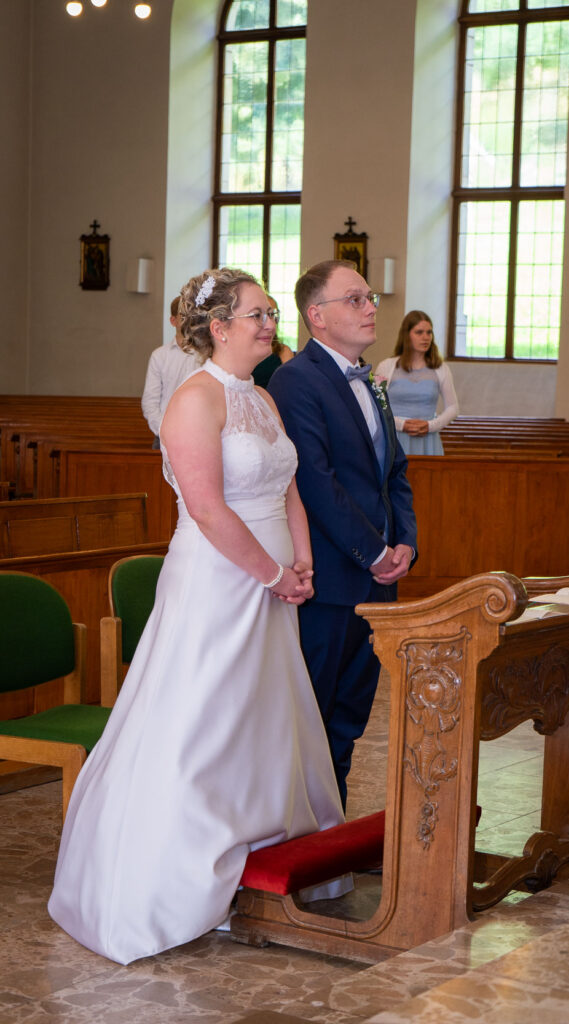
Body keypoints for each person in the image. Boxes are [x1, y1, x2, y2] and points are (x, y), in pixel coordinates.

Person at [48, 267, 346, 965]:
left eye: (271, 313)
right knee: (203, 717)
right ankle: (174, 880)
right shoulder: (193, 400)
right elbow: (208, 509)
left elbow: (288, 487)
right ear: (218, 328)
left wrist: (303, 560)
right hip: (218, 582)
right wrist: (272, 573)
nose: (270, 324)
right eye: (257, 314)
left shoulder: (262, 399)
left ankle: (255, 844)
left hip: (274, 586)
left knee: (262, 715)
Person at [268, 259, 417, 809]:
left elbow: (393, 472)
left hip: (376, 583)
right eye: (355, 299)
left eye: (369, 297)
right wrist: (373, 552)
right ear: (317, 315)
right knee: (312, 713)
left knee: (350, 717)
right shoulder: (295, 380)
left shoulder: (372, 380)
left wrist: (405, 542)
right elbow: (314, 480)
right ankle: (299, 828)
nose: (371, 307)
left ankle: (331, 825)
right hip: (328, 581)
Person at [376, 310, 459, 456]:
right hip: (394, 436)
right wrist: (401, 425)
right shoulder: (385, 366)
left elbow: (453, 407)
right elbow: (376, 405)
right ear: (406, 335)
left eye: (429, 332)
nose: (426, 337)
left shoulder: (441, 368)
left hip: (427, 438)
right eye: (419, 332)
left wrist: (430, 426)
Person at [141, 295, 200, 447]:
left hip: (200, 434)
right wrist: (165, 431)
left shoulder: (208, 354)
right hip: (164, 436)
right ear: (173, 321)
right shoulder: (159, 356)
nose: (189, 321)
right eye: (184, 316)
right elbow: (150, 402)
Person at [252, 294, 294, 388]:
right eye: (258, 316)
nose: (269, 324)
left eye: (272, 315)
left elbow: (289, 387)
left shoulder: (282, 351)